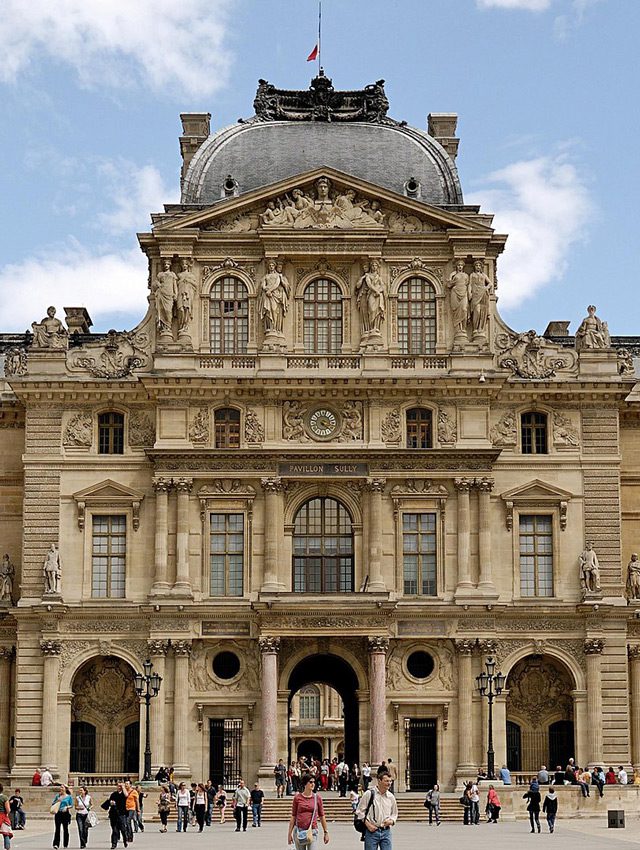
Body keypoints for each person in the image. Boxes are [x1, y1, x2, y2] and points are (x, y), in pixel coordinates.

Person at [355, 770, 397, 850]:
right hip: (372, 831)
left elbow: (394, 813)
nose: (389, 783)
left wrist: (391, 821)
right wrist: (368, 824)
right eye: (386, 781)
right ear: (379, 781)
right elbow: (359, 812)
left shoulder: (391, 797)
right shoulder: (369, 794)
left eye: (390, 781)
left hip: (386, 831)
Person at [288, 773, 330, 849]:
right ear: (305, 784)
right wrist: (289, 834)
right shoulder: (297, 798)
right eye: (310, 782)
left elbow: (322, 816)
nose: (313, 784)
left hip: (312, 830)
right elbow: (293, 816)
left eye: (314, 782)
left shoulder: (317, 798)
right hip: (299, 830)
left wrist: (326, 832)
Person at [51, 784, 73, 850]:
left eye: (62, 787)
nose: (61, 788)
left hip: (65, 813)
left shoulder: (69, 797)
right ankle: (56, 844)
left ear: (65, 789)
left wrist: (67, 807)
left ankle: (65, 844)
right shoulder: (57, 796)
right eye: (60, 787)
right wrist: (57, 800)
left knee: (65, 829)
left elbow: (71, 805)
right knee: (57, 829)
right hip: (58, 813)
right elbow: (53, 803)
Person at [107, 782, 128, 850]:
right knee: (114, 830)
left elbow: (126, 795)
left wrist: (123, 787)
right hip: (113, 814)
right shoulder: (114, 794)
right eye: (118, 786)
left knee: (123, 829)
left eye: (120, 786)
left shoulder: (123, 793)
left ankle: (125, 840)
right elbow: (109, 801)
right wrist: (111, 803)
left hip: (122, 814)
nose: (119, 787)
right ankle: (114, 844)